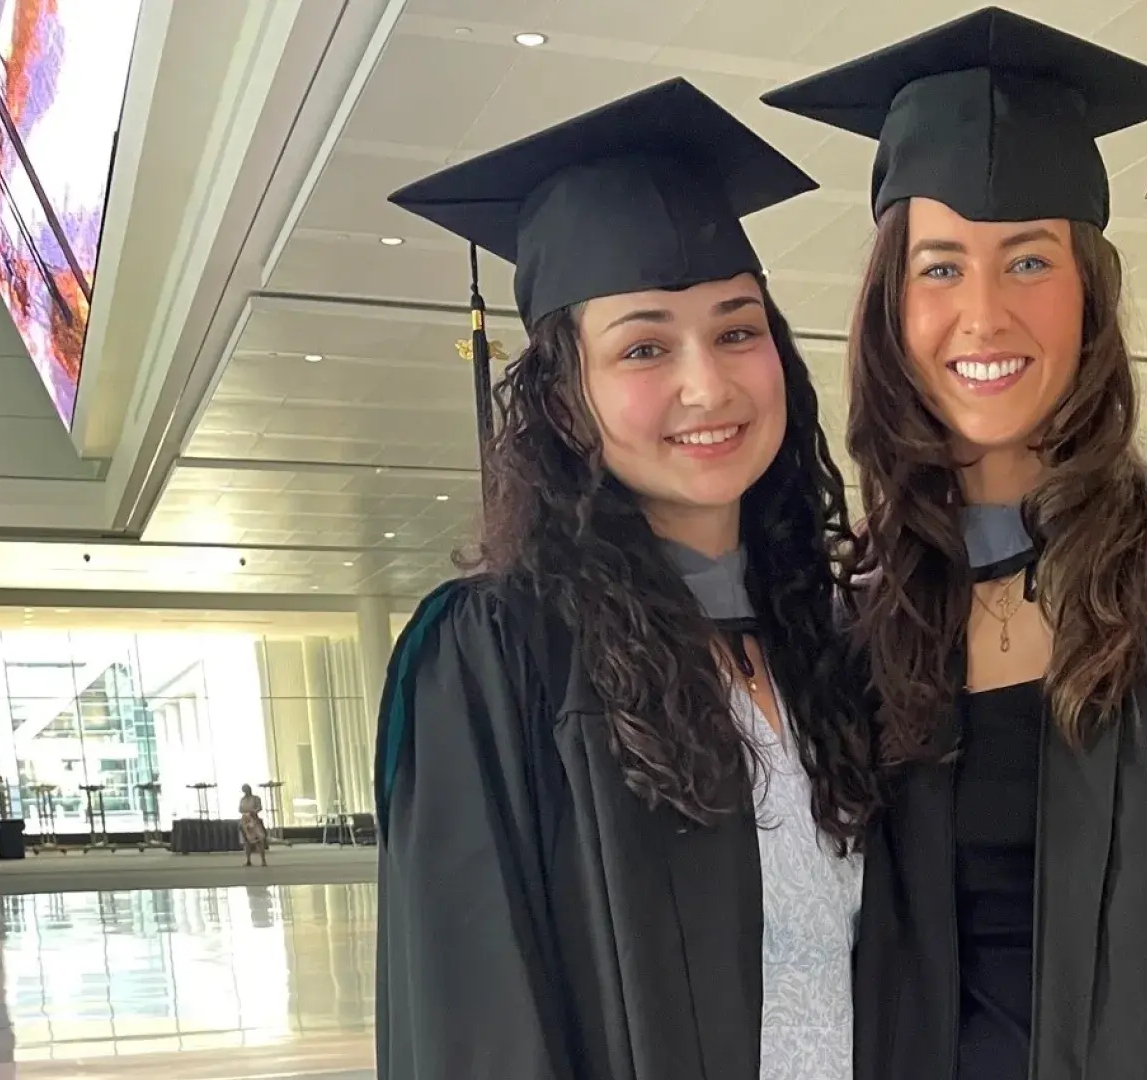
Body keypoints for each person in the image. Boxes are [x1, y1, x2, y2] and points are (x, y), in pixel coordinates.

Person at [765, 9, 1147, 1080]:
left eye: (1030, 260)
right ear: (890, 309)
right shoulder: (863, 614)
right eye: (941, 267)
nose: (986, 313)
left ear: (1088, 288)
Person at [373, 78, 878, 1079]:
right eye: (644, 346)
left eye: (738, 329)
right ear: (564, 400)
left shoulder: (823, 646)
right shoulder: (496, 658)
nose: (709, 383)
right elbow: (477, 1025)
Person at [238, 783, 268, 867]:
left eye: (247, 789)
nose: (246, 791)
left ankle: (263, 860)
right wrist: (244, 812)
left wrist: (254, 811)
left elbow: (259, 807)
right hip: (245, 821)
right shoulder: (242, 799)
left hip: (254, 820)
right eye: (244, 790)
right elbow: (240, 809)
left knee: (259, 840)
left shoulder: (255, 798)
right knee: (246, 842)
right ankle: (248, 860)